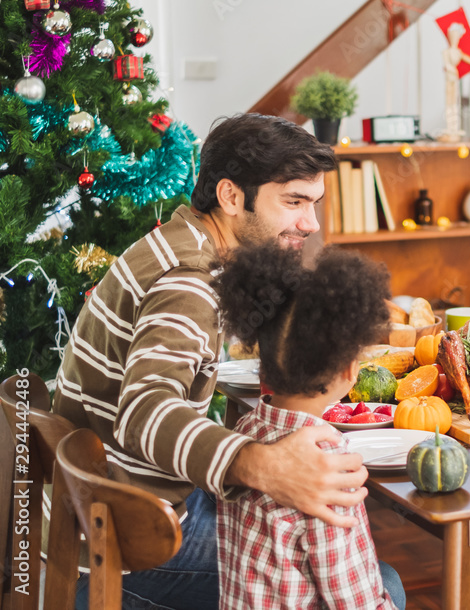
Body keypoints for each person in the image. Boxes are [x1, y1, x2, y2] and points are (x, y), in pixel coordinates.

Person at [52, 113, 404, 608]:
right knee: (380, 583)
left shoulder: (186, 244)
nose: (311, 223)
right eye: (294, 202)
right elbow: (143, 411)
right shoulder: (188, 282)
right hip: (117, 538)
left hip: (109, 505)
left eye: (314, 203)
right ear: (232, 197)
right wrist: (262, 464)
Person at [213, 242, 397, 608]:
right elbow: (355, 599)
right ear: (349, 372)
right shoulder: (328, 465)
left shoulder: (245, 431)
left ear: (263, 366)